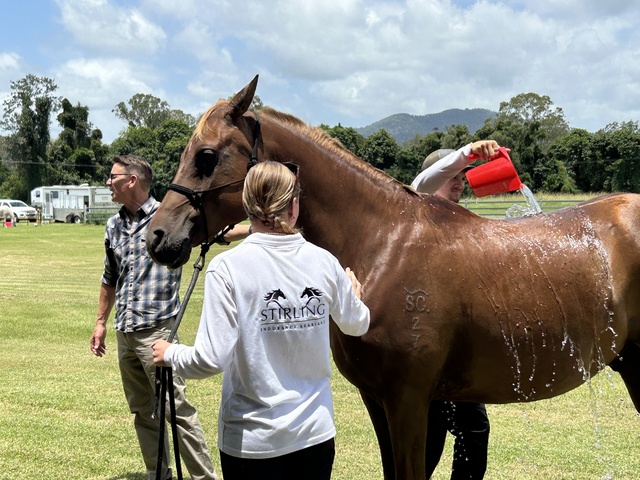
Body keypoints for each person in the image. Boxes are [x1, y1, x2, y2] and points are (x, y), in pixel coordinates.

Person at [152, 160, 371, 480]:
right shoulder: (324, 262)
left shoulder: (227, 268)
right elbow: (357, 324)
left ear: (246, 205)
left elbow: (210, 360)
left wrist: (169, 353)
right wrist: (355, 296)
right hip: (314, 437)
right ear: (293, 205)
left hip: (252, 443)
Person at [89, 155, 218, 480]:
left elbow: (218, 232)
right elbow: (109, 277)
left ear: (132, 180)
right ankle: (158, 473)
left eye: (113, 177)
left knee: (176, 410)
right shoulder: (113, 225)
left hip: (158, 333)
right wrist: (101, 322)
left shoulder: (169, 216)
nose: (108, 182)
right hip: (125, 332)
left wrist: (260, 226)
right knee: (142, 411)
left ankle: (204, 477)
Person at [412, 140, 500, 480]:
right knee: (429, 437)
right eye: (454, 176)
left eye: (463, 177)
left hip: (460, 354)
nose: (460, 182)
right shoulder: (417, 208)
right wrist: (468, 152)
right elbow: (424, 182)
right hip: (425, 350)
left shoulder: (464, 221)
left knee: (475, 430)